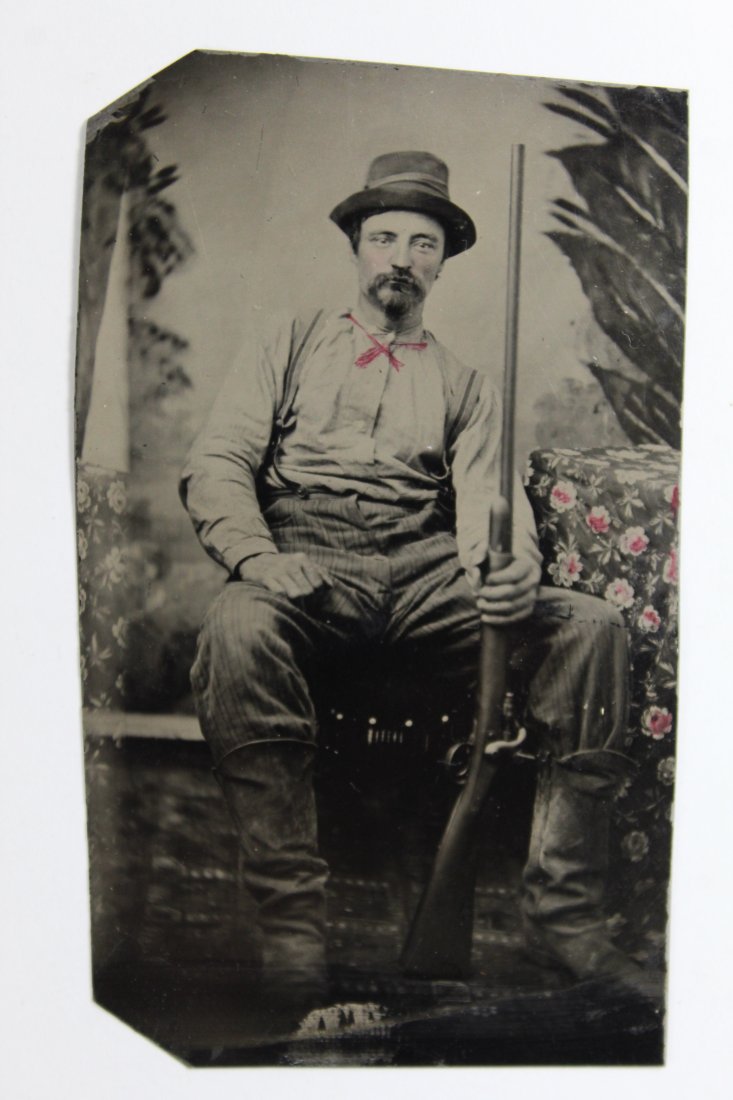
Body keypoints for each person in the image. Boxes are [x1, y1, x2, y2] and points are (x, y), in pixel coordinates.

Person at [180, 151, 647, 1015]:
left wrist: (508, 572)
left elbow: (488, 509)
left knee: (590, 627)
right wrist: (257, 557)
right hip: (306, 554)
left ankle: (564, 917)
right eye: (385, 237)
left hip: (427, 568)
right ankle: (290, 928)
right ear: (356, 247)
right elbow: (217, 463)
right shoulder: (289, 340)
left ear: (442, 261)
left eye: (422, 243)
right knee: (237, 627)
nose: (401, 257)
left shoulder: (466, 383)